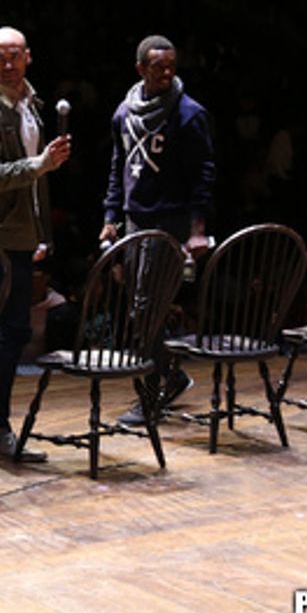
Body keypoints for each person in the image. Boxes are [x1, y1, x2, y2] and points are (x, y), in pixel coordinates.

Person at [0, 26, 70, 461]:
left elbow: (35, 180)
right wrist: (40, 163)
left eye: (14, 55)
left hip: (21, 234)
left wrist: (41, 234)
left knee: (8, 332)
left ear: (28, 57)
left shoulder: (29, 104)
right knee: (10, 331)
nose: (7, 63)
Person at [99, 35, 216, 424]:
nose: (166, 73)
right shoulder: (124, 113)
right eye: (157, 67)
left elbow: (203, 175)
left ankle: (150, 395)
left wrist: (197, 230)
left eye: (171, 66)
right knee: (138, 309)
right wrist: (110, 217)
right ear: (140, 70)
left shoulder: (188, 113)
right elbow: (119, 168)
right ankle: (172, 374)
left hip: (171, 220)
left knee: (147, 310)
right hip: (136, 219)